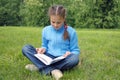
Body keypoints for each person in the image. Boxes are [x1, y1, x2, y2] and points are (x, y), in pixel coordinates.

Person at [22, 5, 80, 80]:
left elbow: (75, 50)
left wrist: (70, 53)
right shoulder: (46, 30)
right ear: (50, 18)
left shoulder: (71, 32)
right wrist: (42, 49)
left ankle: (40, 67)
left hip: (62, 59)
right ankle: (53, 70)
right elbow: (44, 45)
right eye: (53, 22)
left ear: (64, 19)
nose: (55, 25)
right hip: (48, 57)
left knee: (74, 59)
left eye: (59, 22)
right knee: (26, 48)